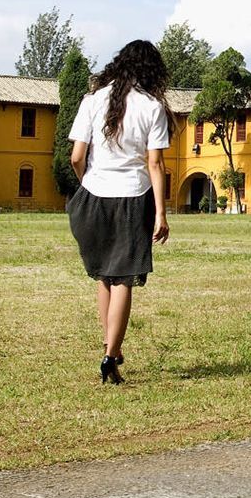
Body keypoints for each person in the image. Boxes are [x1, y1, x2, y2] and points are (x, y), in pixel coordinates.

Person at [67, 40, 173, 384]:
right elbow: (155, 163)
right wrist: (161, 213)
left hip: (94, 196)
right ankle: (111, 355)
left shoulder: (92, 100)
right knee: (124, 277)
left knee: (103, 275)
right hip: (132, 196)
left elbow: (76, 157)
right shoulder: (152, 106)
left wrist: (87, 186)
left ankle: (109, 343)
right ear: (151, 70)